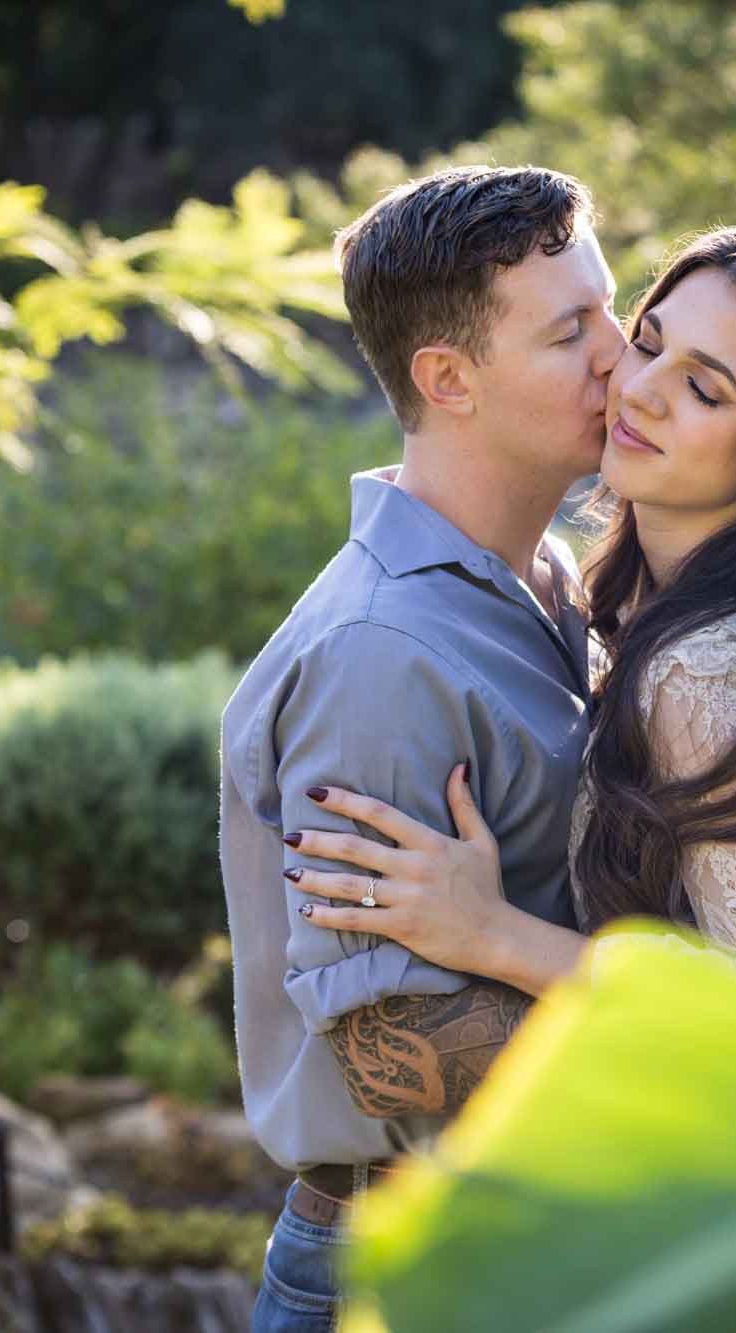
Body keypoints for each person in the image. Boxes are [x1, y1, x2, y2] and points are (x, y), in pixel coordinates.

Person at [287, 223, 736, 1048]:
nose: (638, 388)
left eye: (706, 390)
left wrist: (495, 933)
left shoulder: (703, 670)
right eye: (647, 343)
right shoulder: (662, 624)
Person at [218, 164, 624, 1333]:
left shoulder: (540, 583)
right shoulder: (382, 657)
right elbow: (386, 1054)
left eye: (606, 307)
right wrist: (720, 1038)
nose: (617, 351)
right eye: (568, 332)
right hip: (414, 1273)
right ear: (447, 379)